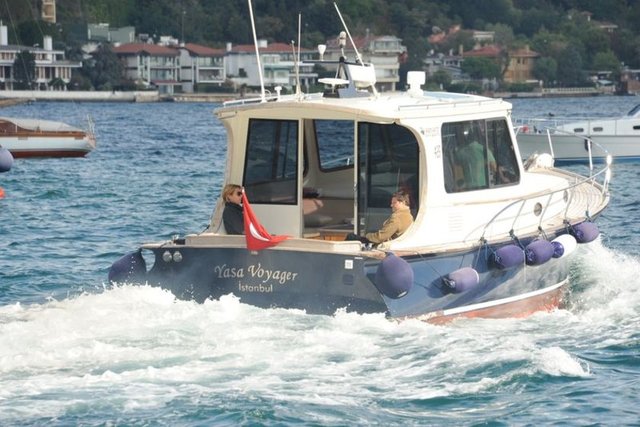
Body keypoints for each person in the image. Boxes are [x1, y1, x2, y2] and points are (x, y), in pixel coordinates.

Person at [347, 191, 414, 245]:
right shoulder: (410, 216)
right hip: (395, 245)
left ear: (403, 202)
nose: (391, 205)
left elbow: (381, 237)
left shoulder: (397, 217)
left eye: (394, 203)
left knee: (351, 237)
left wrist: (367, 236)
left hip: (387, 247)